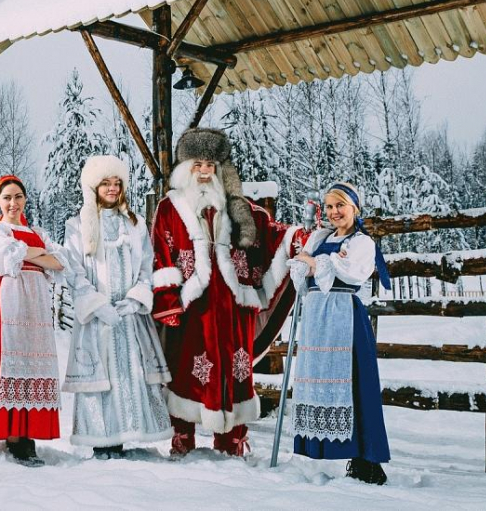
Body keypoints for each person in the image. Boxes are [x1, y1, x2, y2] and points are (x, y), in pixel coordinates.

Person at [151, 128, 300, 456]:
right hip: (193, 307)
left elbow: (269, 231)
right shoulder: (169, 207)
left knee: (236, 368)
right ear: (186, 167)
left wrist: (296, 237)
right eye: (197, 164)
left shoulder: (241, 207)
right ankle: (182, 435)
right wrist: (168, 300)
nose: (205, 171)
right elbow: (161, 252)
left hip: (232, 306)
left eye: (211, 164)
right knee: (186, 369)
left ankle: (232, 438)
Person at [62, 155, 172, 458]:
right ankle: (102, 441)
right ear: (93, 187)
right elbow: (74, 271)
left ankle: (126, 434)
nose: (112, 188)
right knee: (102, 378)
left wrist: (136, 297)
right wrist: (97, 306)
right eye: (105, 183)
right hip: (98, 319)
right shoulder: (78, 225)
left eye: (117, 183)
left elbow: (146, 265)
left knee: (129, 373)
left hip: (129, 317)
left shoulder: (133, 224)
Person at [288, 182, 391, 485]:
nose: (334, 212)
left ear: (354, 208)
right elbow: (298, 269)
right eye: (329, 207)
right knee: (322, 381)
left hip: (345, 314)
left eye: (340, 206)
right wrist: (314, 264)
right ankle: (332, 452)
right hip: (317, 318)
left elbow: (350, 271)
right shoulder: (320, 236)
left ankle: (367, 460)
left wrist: (317, 263)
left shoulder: (362, 242)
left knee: (355, 384)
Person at [0, 175, 68, 467]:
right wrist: (39, 254)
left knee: (33, 362)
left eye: (18, 197)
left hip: (37, 304)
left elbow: (59, 261)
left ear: (25, 199)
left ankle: (29, 435)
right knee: (10, 362)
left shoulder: (35, 230)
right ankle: (14, 437)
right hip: (11, 300)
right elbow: (3, 259)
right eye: (7, 198)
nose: (12, 203)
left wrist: (31, 252)